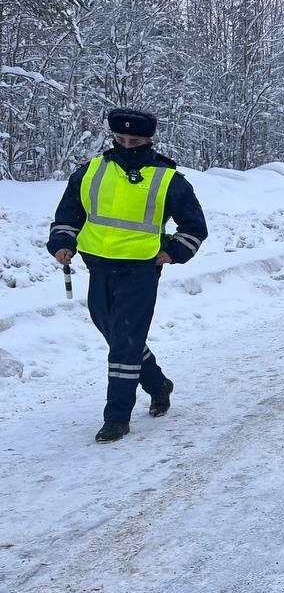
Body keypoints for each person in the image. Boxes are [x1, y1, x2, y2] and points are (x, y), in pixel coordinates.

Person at [46, 107, 208, 443]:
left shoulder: (168, 178)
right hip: (99, 266)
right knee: (117, 335)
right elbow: (69, 213)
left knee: (124, 342)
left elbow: (194, 226)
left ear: (148, 140)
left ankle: (116, 417)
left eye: (134, 141)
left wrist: (173, 252)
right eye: (120, 139)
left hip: (142, 268)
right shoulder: (91, 171)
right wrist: (63, 242)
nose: (126, 145)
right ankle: (158, 383)